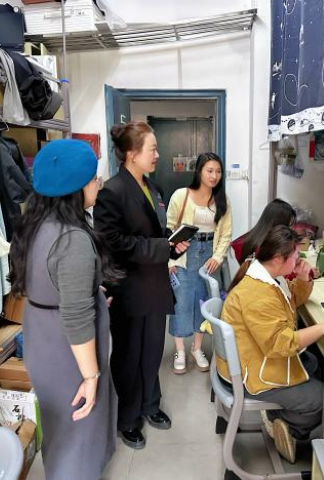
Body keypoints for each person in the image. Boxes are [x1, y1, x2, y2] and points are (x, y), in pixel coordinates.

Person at [8, 139, 119, 480]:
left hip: (42, 336)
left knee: (60, 430)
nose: (98, 183)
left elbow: (51, 281)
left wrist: (88, 290)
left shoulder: (33, 225)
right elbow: (76, 317)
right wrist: (91, 376)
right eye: (94, 178)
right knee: (80, 433)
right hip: (68, 352)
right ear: (77, 187)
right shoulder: (72, 239)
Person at [217, 225, 324, 463]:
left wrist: (302, 279)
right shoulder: (257, 294)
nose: (299, 260)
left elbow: (288, 303)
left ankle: (284, 413)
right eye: (295, 256)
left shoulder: (268, 278)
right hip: (252, 374)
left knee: (313, 362)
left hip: (253, 360)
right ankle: (286, 424)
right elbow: (279, 345)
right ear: (278, 259)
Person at [94, 121, 189, 450]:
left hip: (155, 286)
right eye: (153, 149)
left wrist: (172, 243)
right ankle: (128, 419)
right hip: (129, 290)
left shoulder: (153, 187)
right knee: (128, 357)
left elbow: (155, 234)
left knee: (151, 354)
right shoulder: (112, 192)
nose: (157, 155)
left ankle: (150, 405)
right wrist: (161, 247)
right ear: (132, 154)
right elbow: (114, 243)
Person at [166, 152, 233, 374]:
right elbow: (168, 229)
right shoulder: (181, 195)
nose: (214, 176)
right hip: (185, 252)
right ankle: (180, 351)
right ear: (199, 172)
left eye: (218, 171)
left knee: (203, 303)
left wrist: (218, 257)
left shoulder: (222, 200)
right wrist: (169, 260)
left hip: (209, 254)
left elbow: (225, 234)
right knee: (181, 302)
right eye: (209, 171)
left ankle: (196, 348)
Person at [231, 198, 296, 264]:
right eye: (288, 225)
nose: (290, 229)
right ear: (281, 223)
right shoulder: (271, 247)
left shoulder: (248, 239)